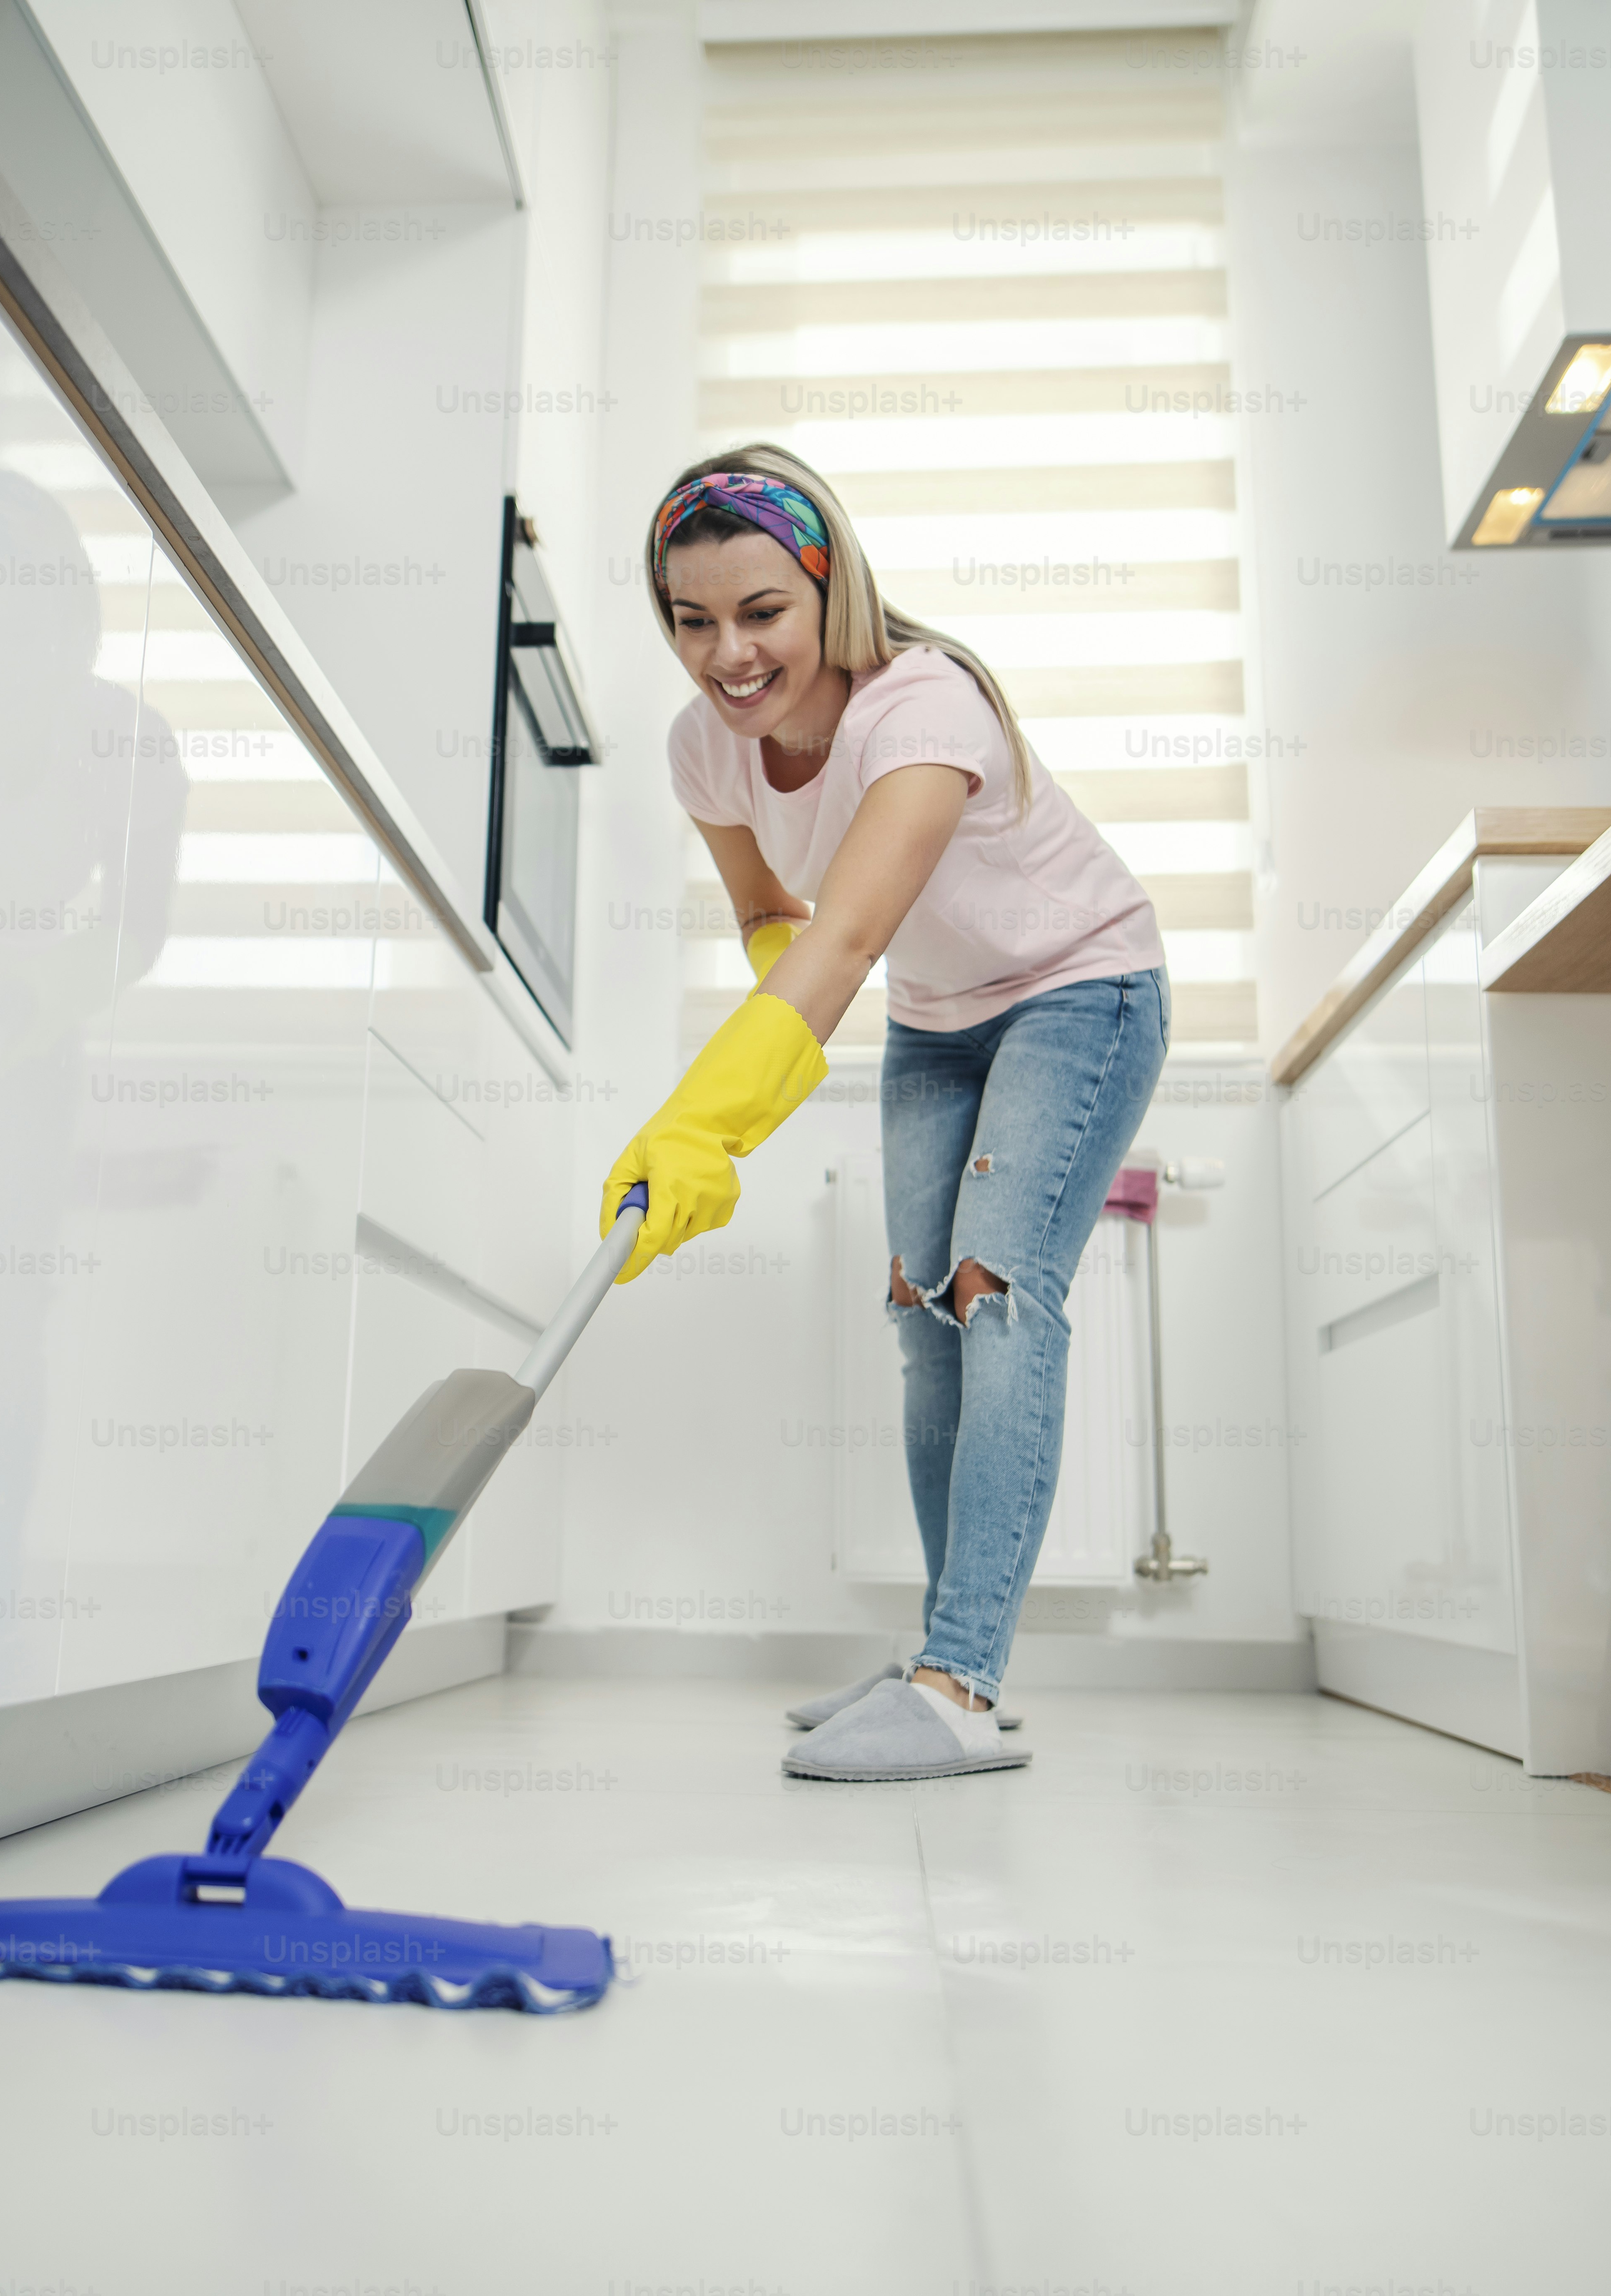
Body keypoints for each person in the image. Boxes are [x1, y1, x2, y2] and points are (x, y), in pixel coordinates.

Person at [603, 445, 1168, 1782]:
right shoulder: (706, 751)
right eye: (692, 622)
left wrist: (712, 1117)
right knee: (923, 1317)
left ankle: (963, 1683)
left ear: (827, 588)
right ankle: (940, 1654)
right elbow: (773, 922)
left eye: (761, 615)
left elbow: (846, 936)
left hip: (1079, 989)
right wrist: (774, 1017)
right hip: (938, 1019)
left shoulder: (924, 709)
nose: (727, 656)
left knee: (995, 1287)